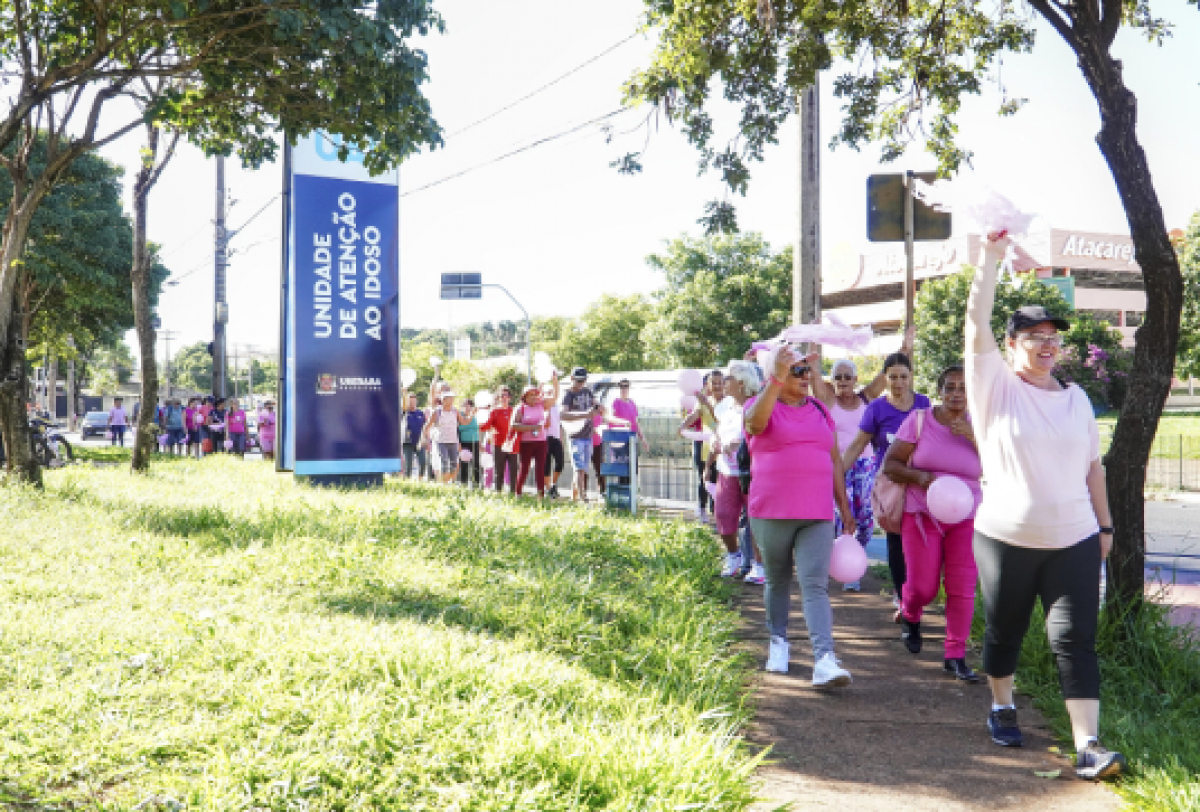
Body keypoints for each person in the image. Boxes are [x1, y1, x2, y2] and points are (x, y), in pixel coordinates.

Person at [966, 234, 1125, 780]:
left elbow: (1092, 468)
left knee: (1074, 640)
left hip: (1075, 539)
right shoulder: (995, 387)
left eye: (1053, 336)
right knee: (1004, 631)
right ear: (1011, 344)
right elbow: (975, 324)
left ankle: (1089, 745)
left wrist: (1105, 527)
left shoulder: (1077, 398)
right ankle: (1002, 705)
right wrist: (989, 258)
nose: (1047, 343)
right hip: (1005, 539)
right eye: (1035, 336)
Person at [744, 345, 855, 687]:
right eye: (798, 370)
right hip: (772, 511)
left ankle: (824, 658)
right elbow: (754, 424)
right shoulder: (759, 405)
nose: (807, 376)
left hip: (816, 512)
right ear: (774, 374)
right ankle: (778, 642)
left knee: (815, 585)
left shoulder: (821, 409)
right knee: (777, 580)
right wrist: (776, 380)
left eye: (809, 370)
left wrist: (844, 505)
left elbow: (834, 458)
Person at [882, 365, 983, 682]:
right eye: (950, 387)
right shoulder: (920, 420)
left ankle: (955, 654)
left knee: (962, 587)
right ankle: (910, 613)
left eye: (963, 388)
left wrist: (976, 437)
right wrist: (920, 477)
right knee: (924, 586)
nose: (956, 394)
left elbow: (1007, 467)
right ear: (939, 391)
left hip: (968, 516)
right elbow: (891, 465)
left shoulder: (983, 424)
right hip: (922, 513)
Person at [841, 350, 930, 610]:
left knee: (919, 539)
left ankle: (915, 591)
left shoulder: (923, 404)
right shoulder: (876, 408)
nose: (898, 382)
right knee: (896, 540)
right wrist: (835, 475)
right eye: (893, 377)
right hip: (889, 483)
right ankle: (902, 596)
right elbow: (857, 445)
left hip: (918, 480)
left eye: (903, 376)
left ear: (911, 377)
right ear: (885, 378)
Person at [714, 361, 765, 583]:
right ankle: (733, 556)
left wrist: (741, 442)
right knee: (723, 515)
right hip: (727, 471)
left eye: (728, 378)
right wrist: (719, 442)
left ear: (742, 383)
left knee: (756, 520)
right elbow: (717, 432)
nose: (724, 382)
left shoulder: (757, 404)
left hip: (753, 472)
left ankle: (759, 565)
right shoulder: (725, 406)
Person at [560, 367, 599, 501]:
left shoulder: (588, 391)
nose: (581, 383)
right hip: (575, 437)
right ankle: (583, 497)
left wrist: (600, 408)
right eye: (579, 380)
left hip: (588, 435)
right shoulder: (567, 395)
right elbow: (563, 415)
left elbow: (596, 405)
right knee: (579, 469)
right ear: (572, 378)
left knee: (583, 469)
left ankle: (574, 497)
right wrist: (585, 415)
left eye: (584, 380)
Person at [511, 386, 550, 497]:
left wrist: (555, 380)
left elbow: (555, 397)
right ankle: (518, 493)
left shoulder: (541, 405)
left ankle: (540, 496)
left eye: (535, 395)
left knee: (540, 469)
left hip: (541, 442)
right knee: (524, 469)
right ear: (525, 397)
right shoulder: (520, 408)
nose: (534, 397)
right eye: (531, 395)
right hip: (526, 443)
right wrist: (533, 427)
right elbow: (514, 425)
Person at [479, 385, 519, 493]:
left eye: (506, 396)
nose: (504, 398)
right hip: (498, 445)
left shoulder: (514, 411)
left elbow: (520, 425)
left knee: (514, 470)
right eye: (502, 396)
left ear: (510, 398)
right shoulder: (494, 411)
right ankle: (498, 492)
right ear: (499, 398)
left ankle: (513, 493)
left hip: (512, 445)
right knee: (499, 471)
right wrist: (478, 424)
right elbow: (486, 426)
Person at [422, 390, 468, 484]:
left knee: (454, 465)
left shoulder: (455, 411)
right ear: (443, 400)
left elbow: (464, 422)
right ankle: (445, 485)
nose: (452, 400)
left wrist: (472, 414)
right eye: (450, 398)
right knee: (445, 463)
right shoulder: (437, 412)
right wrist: (425, 440)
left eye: (452, 398)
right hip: (441, 441)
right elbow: (427, 426)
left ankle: (448, 481)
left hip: (453, 441)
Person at [590, 403, 631, 498]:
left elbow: (613, 419)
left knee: (600, 469)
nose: (603, 407)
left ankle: (602, 491)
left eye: (603, 406)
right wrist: (596, 430)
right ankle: (581, 492)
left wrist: (625, 422)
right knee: (585, 470)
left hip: (599, 445)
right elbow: (589, 428)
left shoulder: (604, 417)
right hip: (590, 444)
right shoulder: (592, 415)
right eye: (600, 406)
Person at [541, 378, 565, 499]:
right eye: (548, 392)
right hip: (545, 438)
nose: (550, 393)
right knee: (546, 465)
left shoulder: (557, 406)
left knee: (560, 463)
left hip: (556, 438)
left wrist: (561, 439)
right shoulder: (543, 405)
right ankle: (548, 489)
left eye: (551, 391)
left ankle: (554, 485)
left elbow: (558, 423)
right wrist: (541, 383)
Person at [401, 394, 428, 480]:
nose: (412, 404)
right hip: (407, 443)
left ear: (416, 402)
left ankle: (420, 480)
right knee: (408, 465)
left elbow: (425, 427)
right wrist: (404, 392)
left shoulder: (421, 413)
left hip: (419, 442)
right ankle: (407, 482)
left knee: (423, 462)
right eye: (410, 402)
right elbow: (403, 407)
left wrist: (425, 439)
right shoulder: (404, 413)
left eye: (414, 401)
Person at [458, 398, 481, 487]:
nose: (468, 407)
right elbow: (458, 430)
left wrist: (479, 443)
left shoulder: (475, 417)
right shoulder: (460, 416)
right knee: (464, 463)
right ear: (462, 407)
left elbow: (477, 430)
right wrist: (459, 443)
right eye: (465, 405)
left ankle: (477, 483)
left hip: (474, 442)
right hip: (464, 442)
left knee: (476, 463)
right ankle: (463, 483)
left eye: (470, 405)